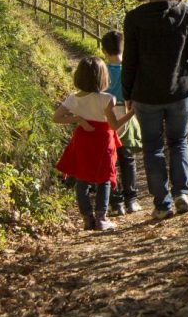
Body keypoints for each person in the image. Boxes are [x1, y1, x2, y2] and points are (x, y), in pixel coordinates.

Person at [122, 0, 188, 220]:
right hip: (180, 91)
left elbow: (130, 61)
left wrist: (127, 94)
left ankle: (162, 204)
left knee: (153, 147)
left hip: (146, 94)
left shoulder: (134, 19)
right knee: (179, 142)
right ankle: (182, 194)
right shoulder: (185, 13)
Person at [53, 57, 131, 231]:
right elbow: (115, 125)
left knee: (82, 178)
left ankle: (87, 218)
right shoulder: (107, 99)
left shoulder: (73, 99)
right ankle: (101, 218)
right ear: (102, 78)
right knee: (104, 178)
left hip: (82, 139)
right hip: (103, 140)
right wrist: (132, 113)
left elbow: (56, 117)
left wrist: (78, 119)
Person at [101, 31, 142, 216]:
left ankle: (115, 203)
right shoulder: (130, 68)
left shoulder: (102, 70)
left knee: (110, 160)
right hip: (127, 113)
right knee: (127, 158)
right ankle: (131, 200)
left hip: (106, 117)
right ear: (122, 47)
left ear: (104, 49)